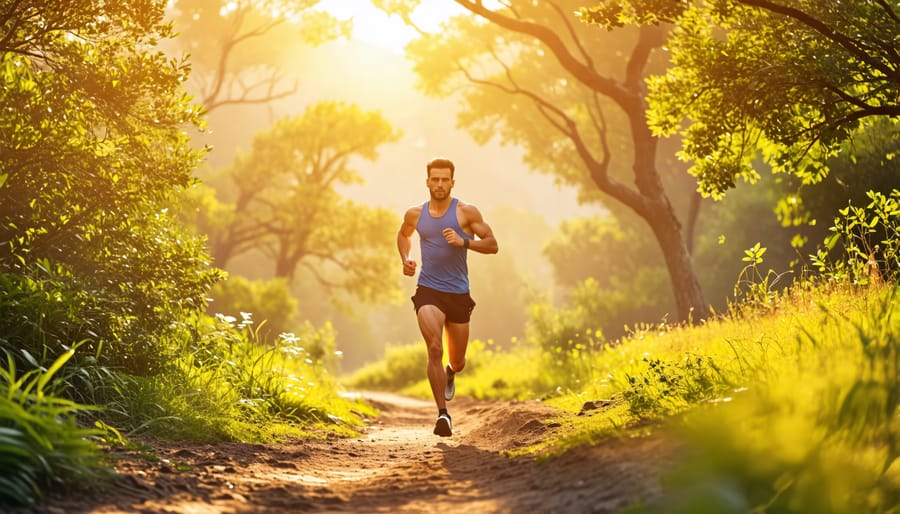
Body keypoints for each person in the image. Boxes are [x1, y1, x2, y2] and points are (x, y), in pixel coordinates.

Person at [396, 157, 499, 437]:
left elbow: (493, 245)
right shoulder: (415, 214)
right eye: (435, 179)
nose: (439, 184)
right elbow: (403, 236)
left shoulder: (466, 212)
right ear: (427, 181)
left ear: (452, 182)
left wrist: (464, 241)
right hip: (429, 289)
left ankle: (451, 371)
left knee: (458, 360)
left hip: (458, 294)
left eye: (445, 179)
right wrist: (406, 258)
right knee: (433, 347)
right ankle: (443, 415)